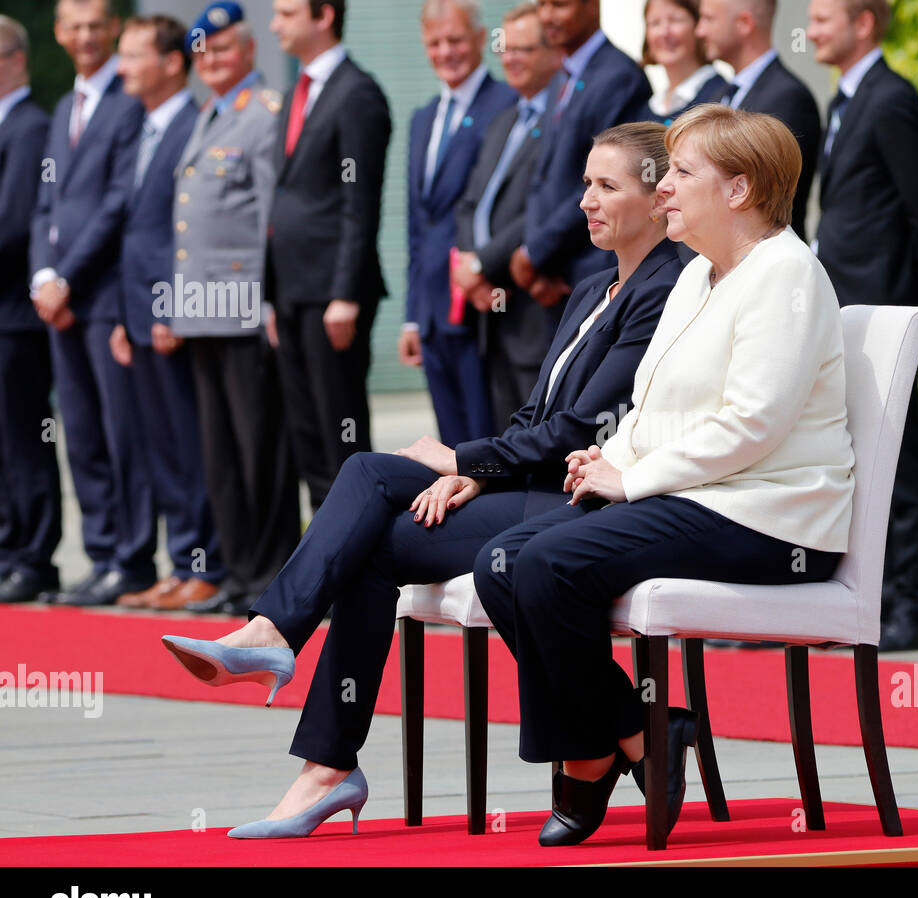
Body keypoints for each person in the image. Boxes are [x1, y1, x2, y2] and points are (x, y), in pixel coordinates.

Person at [159, 123, 683, 839]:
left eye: (607, 186)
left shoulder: (667, 286)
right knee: (369, 534)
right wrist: (480, 475)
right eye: (586, 182)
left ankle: (286, 660)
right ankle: (322, 756)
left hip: (586, 497)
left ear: (660, 198)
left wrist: (467, 463)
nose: (585, 201)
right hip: (527, 484)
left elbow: (580, 431)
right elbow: (536, 413)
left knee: (369, 479)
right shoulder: (592, 286)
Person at [472, 104, 855, 847]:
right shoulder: (701, 275)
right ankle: (634, 733)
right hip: (699, 494)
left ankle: (595, 759)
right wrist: (614, 458)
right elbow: (649, 401)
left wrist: (633, 478)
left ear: (739, 190)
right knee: (501, 562)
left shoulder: (786, 275)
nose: (665, 187)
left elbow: (753, 424)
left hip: (767, 517)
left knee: (547, 564)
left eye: (681, 173)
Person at [808, 0, 918, 651]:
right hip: (851, 308)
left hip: (889, 307)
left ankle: (909, 609)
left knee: (905, 461)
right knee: (868, 458)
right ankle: (875, 601)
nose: (811, 30)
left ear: (864, 22)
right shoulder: (845, 100)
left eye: (823, 17)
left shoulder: (891, 98)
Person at [172, 2, 301, 617]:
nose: (214, 61)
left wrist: (270, 294)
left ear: (248, 52)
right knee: (220, 450)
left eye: (225, 50)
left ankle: (272, 571)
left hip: (246, 307)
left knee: (260, 449)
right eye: (205, 52)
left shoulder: (265, 115)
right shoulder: (208, 115)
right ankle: (238, 570)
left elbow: (271, 219)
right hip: (202, 309)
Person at [29, 0, 152, 606]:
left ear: (112, 31)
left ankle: (133, 560)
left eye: (94, 25)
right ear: (58, 33)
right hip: (61, 302)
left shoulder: (129, 104)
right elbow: (45, 204)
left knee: (120, 432)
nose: (84, 36)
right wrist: (43, 277)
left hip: (102, 298)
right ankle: (101, 554)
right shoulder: (62, 110)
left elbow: (116, 205)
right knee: (79, 435)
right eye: (73, 26)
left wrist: (68, 280)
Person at [110, 14, 226, 611]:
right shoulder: (139, 126)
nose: (122, 67)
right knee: (161, 445)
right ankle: (182, 562)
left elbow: (187, 232)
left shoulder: (191, 124)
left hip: (171, 310)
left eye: (133, 55)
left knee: (189, 441)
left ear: (172, 62)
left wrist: (170, 308)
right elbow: (129, 226)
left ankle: (207, 563)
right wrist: (122, 316)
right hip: (135, 310)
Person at [265, 0, 392, 511]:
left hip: (330, 296)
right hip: (292, 291)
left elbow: (359, 205)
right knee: (307, 437)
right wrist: (271, 295)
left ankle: (354, 559)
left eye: (287, 12)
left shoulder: (356, 93)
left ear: (323, 16)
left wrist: (344, 293)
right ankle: (323, 555)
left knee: (340, 435)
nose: (276, 23)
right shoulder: (297, 91)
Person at [399, 0, 517, 448]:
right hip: (433, 310)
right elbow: (418, 223)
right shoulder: (423, 117)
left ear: (478, 41)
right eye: (434, 42)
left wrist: (485, 273)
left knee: (487, 442)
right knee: (450, 445)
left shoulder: (506, 104)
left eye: (455, 40)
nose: (445, 51)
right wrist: (412, 318)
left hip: (483, 303)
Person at [451, 1, 564, 433]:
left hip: (533, 308)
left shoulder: (561, 119)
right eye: (506, 49)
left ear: (554, 52)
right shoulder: (504, 120)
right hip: (488, 310)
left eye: (524, 49)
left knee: (539, 440)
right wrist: (468, 266)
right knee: (501, 439)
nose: (511, 59)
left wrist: (482, 264)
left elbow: (544, 208)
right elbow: (469, 204)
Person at [509, 0, 653, 307]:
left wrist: (536, 252)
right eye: (542, 5)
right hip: (550, 274)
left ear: (593, 6)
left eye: (560, 5)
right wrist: (536, 257)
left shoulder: (620, 76)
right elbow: (543, 176)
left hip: (591, 269)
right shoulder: (562, 74)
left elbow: (608, 181)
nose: (547, 16)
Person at [0, 15, 61, 604]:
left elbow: (14, 223)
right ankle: (9, 548)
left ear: (15, 59)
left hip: (14, 316)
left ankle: (33, 556)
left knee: (24, 440)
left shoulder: (27, 126)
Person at [695, 0, 820, 241]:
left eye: (709, 19)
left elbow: (767, 198)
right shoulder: (718, 96)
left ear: (744, 23)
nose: (700, 31)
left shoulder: (788, 98)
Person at [643, 0, 728, 122]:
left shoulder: (720, 99)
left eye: (675, 20)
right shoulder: (647, 106)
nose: (664, 33)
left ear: (699, 27)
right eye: (655, 23)